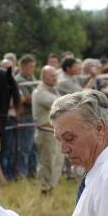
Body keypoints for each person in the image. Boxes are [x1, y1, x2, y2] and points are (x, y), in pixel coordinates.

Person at [32, 66, 63, 194]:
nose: (55, 78)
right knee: (47, 161)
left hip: (55, 132)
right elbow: (59, 104)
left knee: (57, 161)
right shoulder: (39, 92)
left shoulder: (53, 90)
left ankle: (51, 188)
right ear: (43, 77)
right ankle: (44, 188)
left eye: (56, 75)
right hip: (45, 132)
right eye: (52, 76)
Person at [14, 54, 37, 178]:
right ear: (23, 66)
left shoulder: (31, 77)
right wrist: (38, 96)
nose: (33, 69)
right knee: (24, 147)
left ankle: (32, 172)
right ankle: (22, 173)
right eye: (31, 66)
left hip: (32, 116)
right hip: (25, 116)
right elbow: (25, 99)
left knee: (33, 147)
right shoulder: (19, 80)